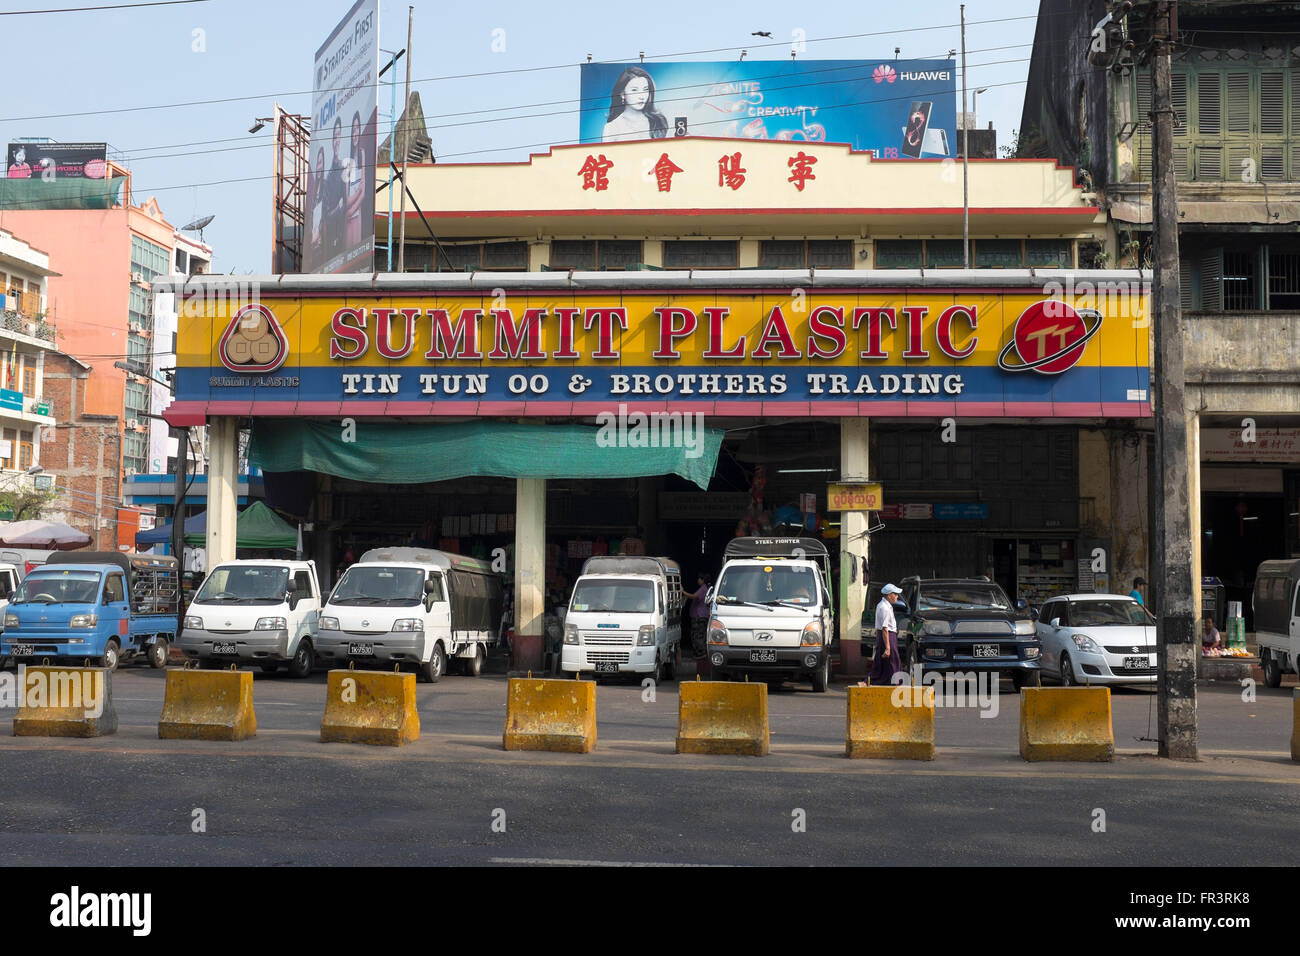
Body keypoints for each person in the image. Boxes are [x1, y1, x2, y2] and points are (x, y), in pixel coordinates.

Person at [602, 66, 668, 142]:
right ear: (622, 94)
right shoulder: (612, 127)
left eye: (645, 90)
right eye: (634, 90)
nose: (641, 96)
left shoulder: (658, 121)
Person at [867, 583, 905, 685]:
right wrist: (888, 647)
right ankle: (895, 683)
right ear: (889, 595)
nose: (897, 596)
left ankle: (886, 682)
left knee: (884, 663)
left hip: (888, 636)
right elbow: (884, 628)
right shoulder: (884, 608)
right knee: (893, 661)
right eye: (895, 594)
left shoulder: (885, 605)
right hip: (888, 637)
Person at [683, 573, 711, 657]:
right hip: (699, 615)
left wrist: (683, 592)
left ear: (702, 580)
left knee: (698, 635)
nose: (697, 580)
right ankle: (699, 652)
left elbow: (694, 596)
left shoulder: (703, 589)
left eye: (699, 579)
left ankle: (701, 653)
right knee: (697, 634)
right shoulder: (704, 588)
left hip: (699, 616)